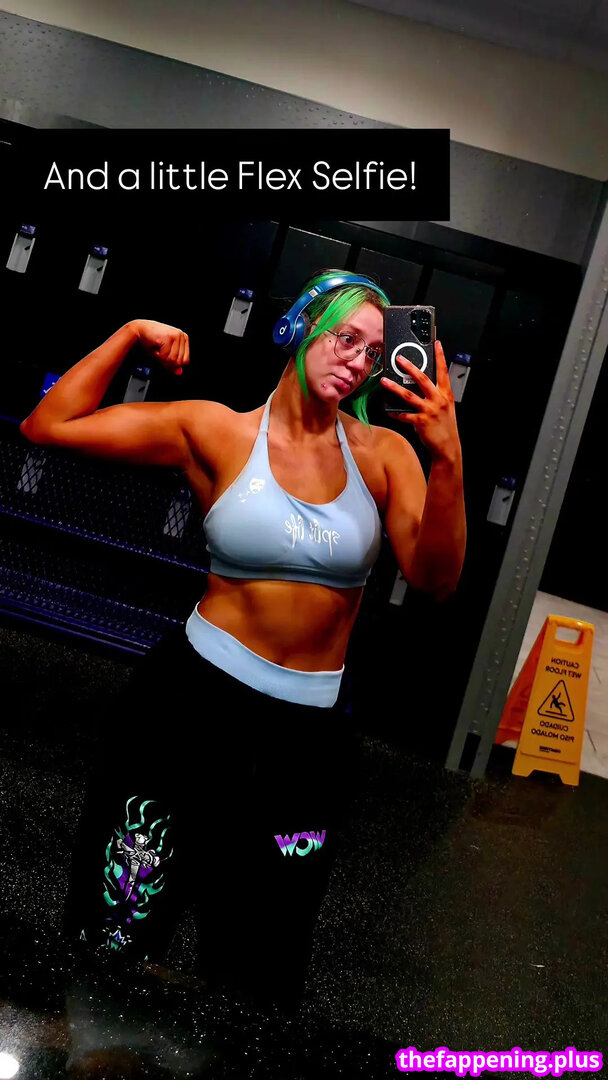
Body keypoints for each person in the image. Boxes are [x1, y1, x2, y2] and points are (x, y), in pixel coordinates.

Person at [20, 269, 466, 1005]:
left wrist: (448, 459)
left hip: (307, 738)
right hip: (188, 706)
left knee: (264, 950)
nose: (357, 360)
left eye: (373, 350)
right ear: (298, 329)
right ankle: (89, 1040)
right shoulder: (216, 431)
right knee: (122, 913)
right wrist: (130, 333)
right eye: (344, 337)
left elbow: (436, 577)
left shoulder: (385, 455)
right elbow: (49, 425)